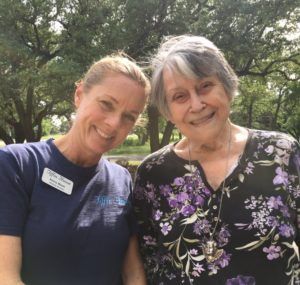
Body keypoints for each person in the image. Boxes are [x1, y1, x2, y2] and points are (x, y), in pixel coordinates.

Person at [133, 35, 300, 284]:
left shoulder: (280, 153)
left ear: (226, 85)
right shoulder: (153, 174)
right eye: (180, 96)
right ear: (168, 111)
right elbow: (146, 261)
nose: (197, 104)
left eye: (205, 86)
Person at [0, 54, 150, 285]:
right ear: (79, 94)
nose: (114, 123)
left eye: (129, 117)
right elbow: (6, 276)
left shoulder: (121, 179)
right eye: (106, 104)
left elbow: (132, 272)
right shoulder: (16, 165)